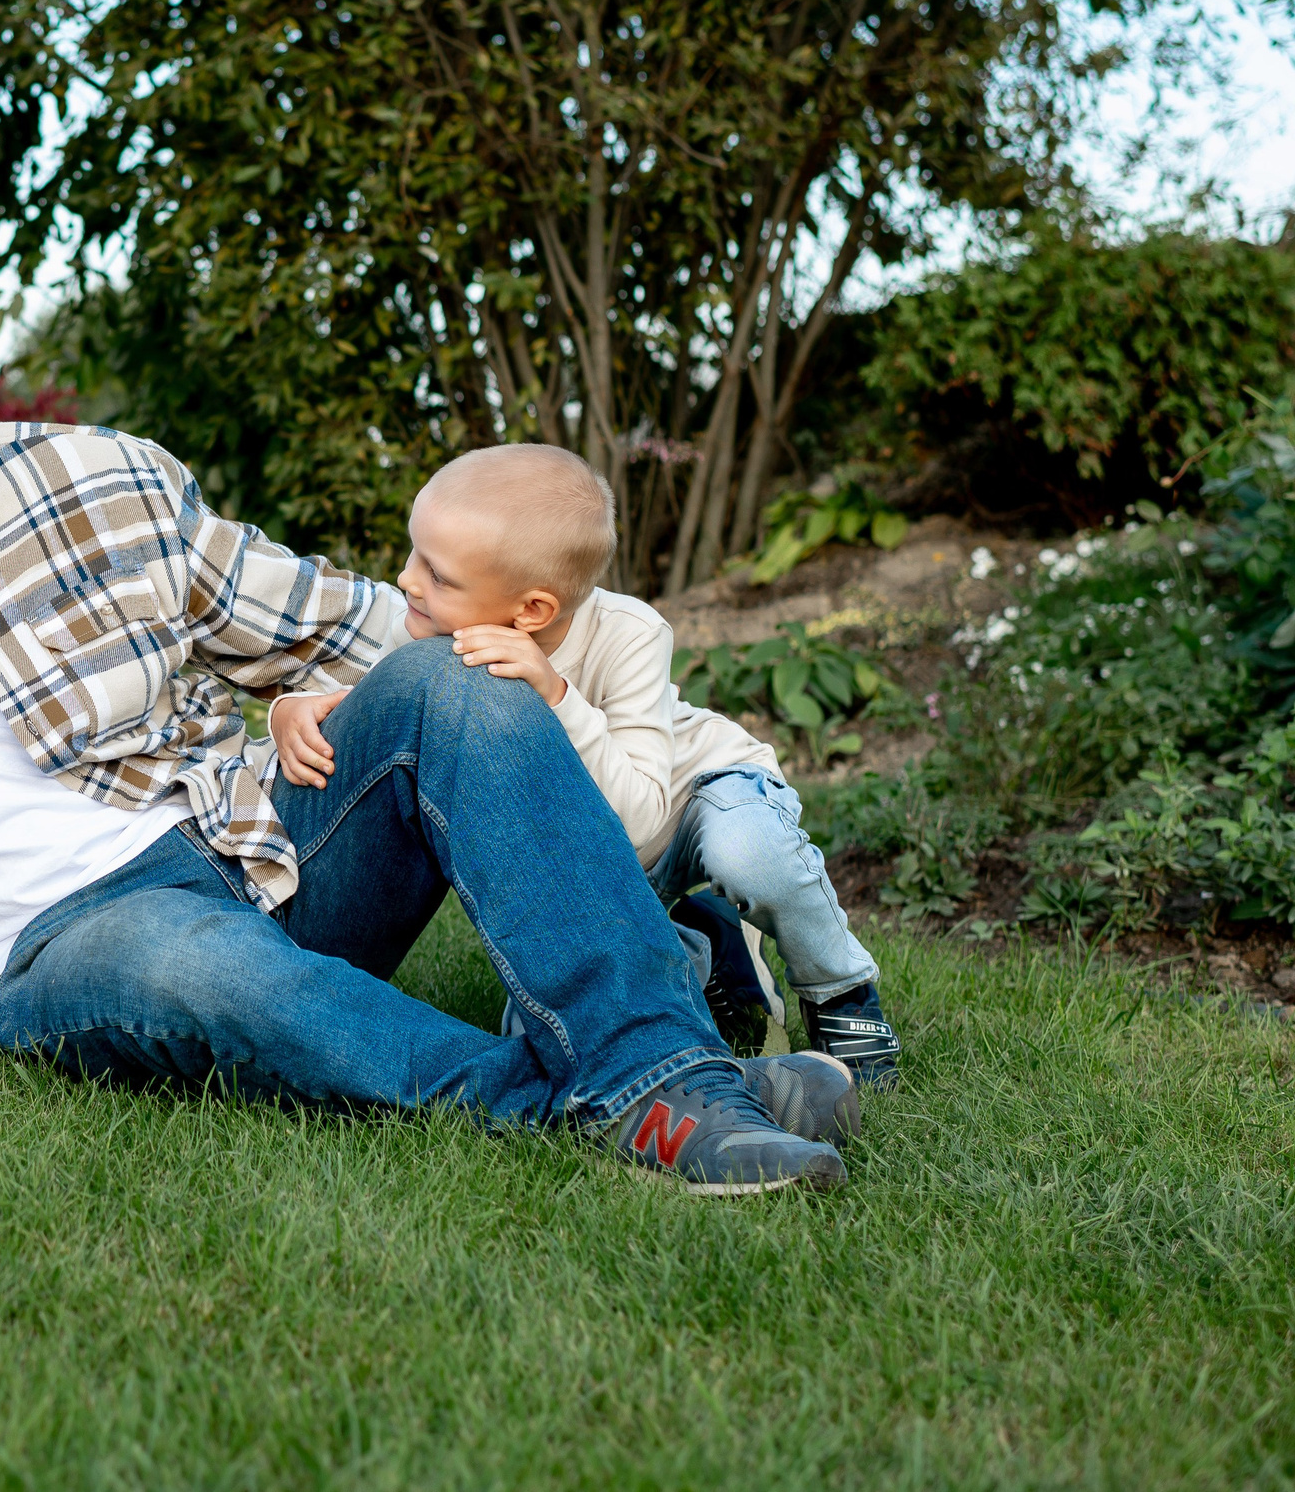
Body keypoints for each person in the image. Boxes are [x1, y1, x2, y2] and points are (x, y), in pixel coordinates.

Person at [0, 265, 859, 1196]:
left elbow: (352, 621)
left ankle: (662, 1069)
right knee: (200, 962)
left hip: (237, 843)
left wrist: (643, 720)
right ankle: (650, 1097)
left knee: (451, 673)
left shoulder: (87, 481)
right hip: (41, 949)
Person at [276, 444, 898, 1085]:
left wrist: (557, 697)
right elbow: (362, 709)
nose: (406, 580)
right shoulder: (425, 633)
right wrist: (291, 711)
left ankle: (840, 991)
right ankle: (702, 947)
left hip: (690, 796)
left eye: (438, 575)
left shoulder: (631, 633)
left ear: (532, 610)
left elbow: (641, 819)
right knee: (557, 1037)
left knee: (753, 856)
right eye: (413, 554)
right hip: (583, 850)